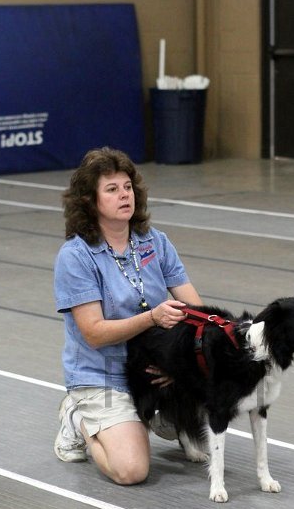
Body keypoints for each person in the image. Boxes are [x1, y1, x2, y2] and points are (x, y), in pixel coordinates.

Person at [53, 147, 202, 485]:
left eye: (127, 187)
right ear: (90, 202)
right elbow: (93, 332)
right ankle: (77, 417)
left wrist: (179, 363)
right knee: (132, 471)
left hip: (152, 368)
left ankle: (150, 418)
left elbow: (195, 310)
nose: (125, 195)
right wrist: (152, 319)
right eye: (112, 189)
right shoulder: (76, 257)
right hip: (103, 374)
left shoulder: (155, 242)